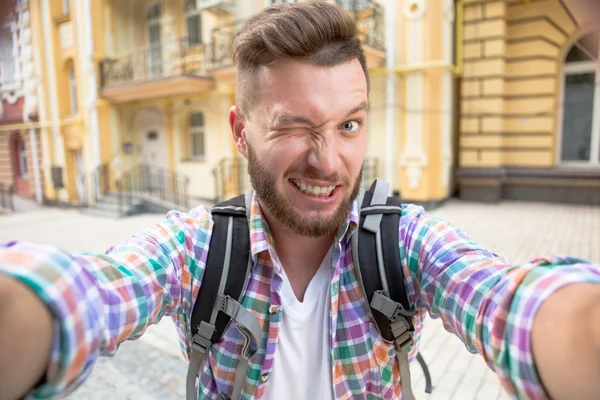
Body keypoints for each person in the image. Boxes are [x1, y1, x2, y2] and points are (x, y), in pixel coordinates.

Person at [1, 2, 600, 400]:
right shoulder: (196, 247)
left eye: (348, 125)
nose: (326, 159)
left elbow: (511, 305)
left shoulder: (402, 243)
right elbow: (89, 293)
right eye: (294, 127)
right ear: (239, 131)